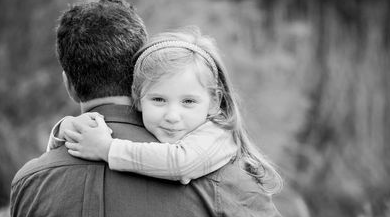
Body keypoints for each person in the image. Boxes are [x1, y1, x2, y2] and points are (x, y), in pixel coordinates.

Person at [10, 0, 327, 217]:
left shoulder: (28, 183)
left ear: (68, 83)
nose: (174, 116)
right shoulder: (219, 175)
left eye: (188, 102)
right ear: (137, 77)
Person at [49, 30, 282, 190]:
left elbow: (181, 164)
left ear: (213, 101)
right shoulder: (160, 126)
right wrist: (66, 130)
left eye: (189, 102)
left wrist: (106, 148)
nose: (172, 116)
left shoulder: (217, 133)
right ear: (137, 99)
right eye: (159, 99)